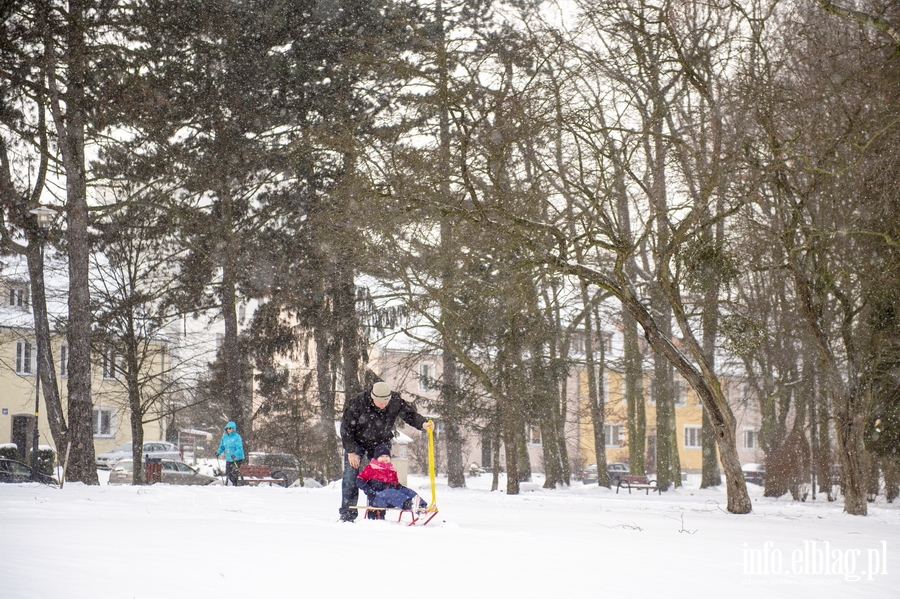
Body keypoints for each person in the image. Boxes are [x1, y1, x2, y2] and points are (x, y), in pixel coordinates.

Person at [339, 381, 434, 522]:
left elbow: (409, 414)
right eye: (380, 402)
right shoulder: (358, 402)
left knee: (381, 478)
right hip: (356, 442)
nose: (384, 405)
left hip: (380, 442)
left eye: (386, 402)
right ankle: (347, 515)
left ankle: (376, 515)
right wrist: (352, 452)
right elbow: (346, 428)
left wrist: (422, 423)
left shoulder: (394, 401)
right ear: (372, 398)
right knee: (350, 476)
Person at [356, 444, 427, 519]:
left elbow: (396, 484)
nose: (385, 458)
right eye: (381, 456)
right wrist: (368, 491)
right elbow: (359, 479)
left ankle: (422, 506)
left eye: (387, 456)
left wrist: (400, 487)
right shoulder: (371, 467)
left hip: (391, 499)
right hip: (377, 497)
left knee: (406, 491)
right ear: (376, 458)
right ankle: (409, 504)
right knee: (390, 492)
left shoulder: (392, 470)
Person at [216, 421, 245, 486]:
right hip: (229, 458)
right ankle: (234, 483)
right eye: (227, 428)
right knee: (228, 473)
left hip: (237, 458)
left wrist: (235, 454)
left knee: (234, 471)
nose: (228, 429)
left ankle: (235, 484)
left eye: (230, 428)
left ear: (233, 429)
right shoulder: (224, 437)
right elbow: (222, 446)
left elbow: (239, 448)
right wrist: (218, 452)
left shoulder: (237, 437)